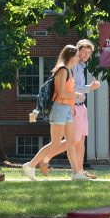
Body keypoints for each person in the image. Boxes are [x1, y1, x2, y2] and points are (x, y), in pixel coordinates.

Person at [37, 39, 100, 179]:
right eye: (83, 52)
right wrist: (90, 88)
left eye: (89, 53)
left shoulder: (82, 66)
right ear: (77, 52)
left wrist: (88, 89)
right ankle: (46, 159)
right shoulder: (72, 67)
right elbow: (71, 88)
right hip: (72, 106)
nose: (86, 55)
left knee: (80, 140)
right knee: (72, 141)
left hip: (81, 106)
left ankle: (81, 171)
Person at [22, 45, 86, 181]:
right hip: (59, 108)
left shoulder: (69, 70)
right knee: (55, 143)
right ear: (70, 56)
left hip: (67, 109)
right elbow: (61, 92)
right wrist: (76, 94)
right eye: (76, 55)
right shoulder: (62, 70)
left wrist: (74, 97)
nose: (78, 58)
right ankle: (30, 165)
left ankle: (76, 173)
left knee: (70, 142)